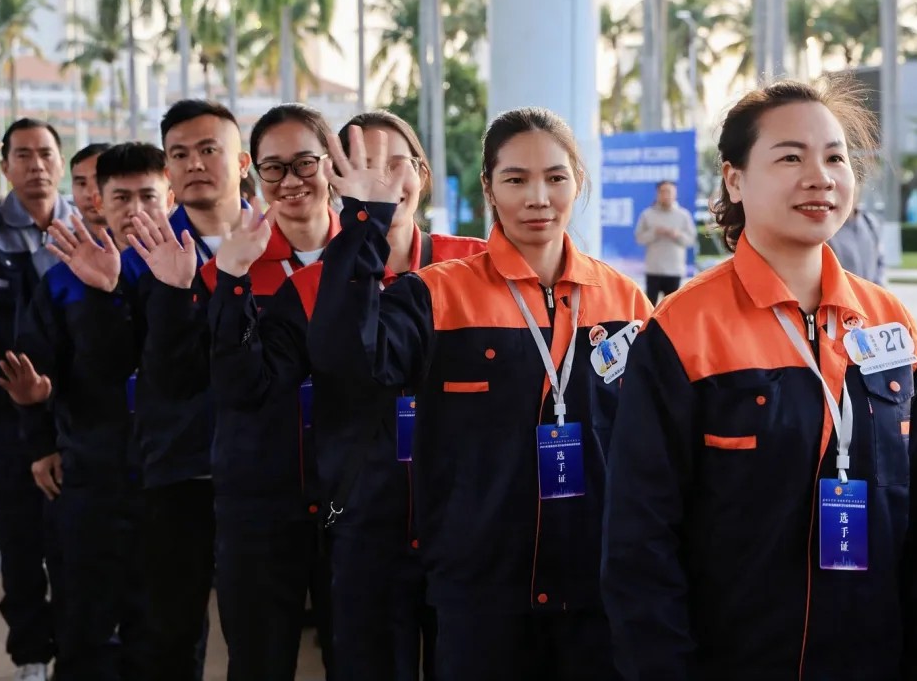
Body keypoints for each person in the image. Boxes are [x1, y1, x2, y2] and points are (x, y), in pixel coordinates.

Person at [601, 79, 917, 680]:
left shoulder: (889, 322)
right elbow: (640, 542)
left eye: (835, 157)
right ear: (734, 179)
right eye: (790, 157)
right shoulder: (683, 329)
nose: (820, 177)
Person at [307, 107, 652, 680]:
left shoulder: (625, 300)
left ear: (579, 182)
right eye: (516, 179)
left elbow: (648, 445)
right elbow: (347, 360)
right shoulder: (436, 294)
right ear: (488, 187)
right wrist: (364, 223)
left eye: (556, 177)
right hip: (479, 590)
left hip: (592, 585)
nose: (538, 198)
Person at [208, 109, 485, 681]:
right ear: (340, 182)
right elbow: (249, 387)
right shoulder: (317, 287)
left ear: (423, 173)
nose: (381, 181)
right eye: (364, 168)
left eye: (395, 165)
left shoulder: (474, 265)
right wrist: (231, 282)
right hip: (367, 528)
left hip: (467, 519)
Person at [53, 100, 252, 681]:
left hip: (270, 476)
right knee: (170, 632)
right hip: (174, 474)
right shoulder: (138, 253)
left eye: (209, 149)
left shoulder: (279, 239)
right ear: (169, 169)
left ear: (241, 161)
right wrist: (105, 295)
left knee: (264, 632)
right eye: (180, 154)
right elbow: (111, 368)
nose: (195, 164)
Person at [0, 142, 171, 680]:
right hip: (89, 474)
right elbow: (35, 369)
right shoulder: (62, 280)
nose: (136, 209)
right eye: (121, 197)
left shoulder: (188, 273)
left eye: (148, 195)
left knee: (165, 624)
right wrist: (40, 438)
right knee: (84, 620)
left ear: (168, 197)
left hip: (170, 478)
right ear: (99, 200)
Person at [179, 103, 338, 680]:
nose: (291, 180)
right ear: (256, 173)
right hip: (258, 505)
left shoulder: (371, 260)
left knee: (358, 656)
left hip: (351, 502)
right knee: (258, 661)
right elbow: (219, 382)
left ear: (331, 164)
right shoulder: (229, 267)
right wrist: (233, 280)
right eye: (274, 167)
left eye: (305, 163)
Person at [0, 117, 75, 681]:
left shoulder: (85, 230)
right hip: (2, 421)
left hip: (71, 415)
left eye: (45, 153)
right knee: (19, 543)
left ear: (60, 162)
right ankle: (32, 657)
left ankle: (78, 649)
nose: (36, 165)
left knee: (73, 542)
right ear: (4, 166)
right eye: (22, 155)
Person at [633, 179, 698, 304]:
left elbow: (691, 240)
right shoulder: (647, 214)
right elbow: (639, 238)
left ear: (675, 194)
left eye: (669, 191)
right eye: (662, 191)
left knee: (672, 308)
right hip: (653, 269)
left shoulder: (683, 215)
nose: (666, 195)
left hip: (674, 270)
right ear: (657, 194)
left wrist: (677, 235)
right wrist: (654, 232)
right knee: (649, 307)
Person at [828, 200, 886, 285]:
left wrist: (878, 288)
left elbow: (880, 262)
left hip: (869, 291)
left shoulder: (869, 223)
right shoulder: (828, 228)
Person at [68, 143, 111, 237]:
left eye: (99, 181)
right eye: (82, 183)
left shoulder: (144, 243)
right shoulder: (61, 246)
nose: (90, 193)